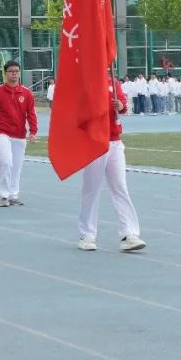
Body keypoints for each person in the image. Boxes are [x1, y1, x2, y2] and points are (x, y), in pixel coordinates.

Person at [77, 74, 146, 253]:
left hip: (115, 141)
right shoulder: (86, 83)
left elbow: (123, 105)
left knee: (120, 187)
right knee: (91, 189)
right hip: (94, 143)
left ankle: (129, 234)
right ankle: (87, 235)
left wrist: (120, 105)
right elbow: (79, 111)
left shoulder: (113, 82)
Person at [0, 60, 37, 208]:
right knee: (6, 161)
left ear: (19, 73)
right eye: (11, 71)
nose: (14, 74)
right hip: (3, 132)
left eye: (16, 71)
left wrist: (33, 131)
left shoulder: (26, 93)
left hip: (19, 134)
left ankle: (14, 194)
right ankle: (4, 195)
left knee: (16, 166)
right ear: (5, 73)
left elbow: (31, 114)